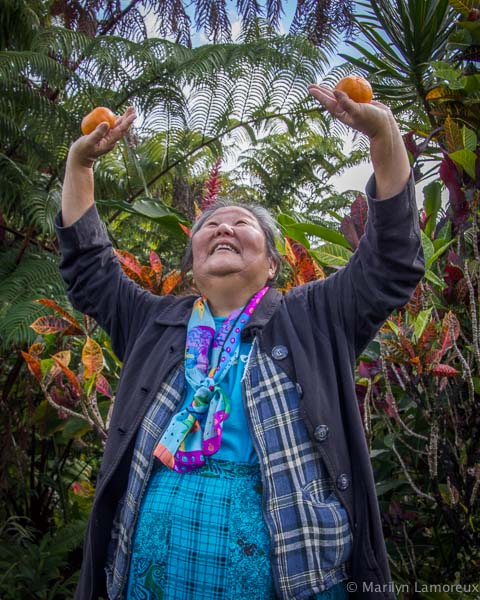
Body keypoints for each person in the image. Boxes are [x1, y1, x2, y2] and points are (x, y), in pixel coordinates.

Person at [55, 85, 425, 600]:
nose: (224, 227)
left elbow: (390, 263)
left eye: (242, 224)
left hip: (294, 570)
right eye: (210, 225)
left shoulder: (313, 315)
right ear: (192, 266)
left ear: (272, 265)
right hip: (150, 569)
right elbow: (91, 272)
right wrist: (79, 166)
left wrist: (383, 133)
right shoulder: (155, 322)